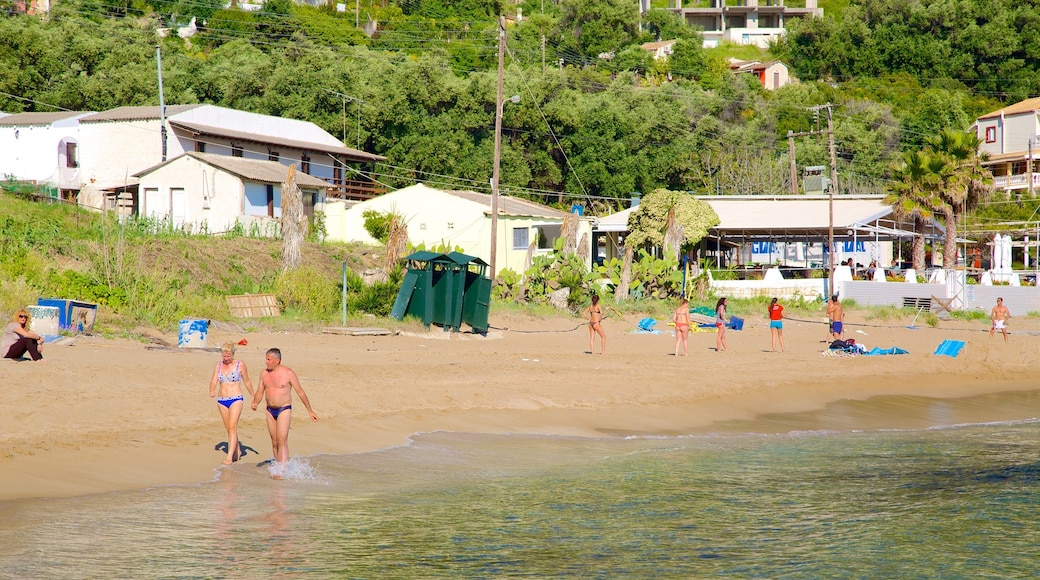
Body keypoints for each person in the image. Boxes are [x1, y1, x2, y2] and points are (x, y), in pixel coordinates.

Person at [251, 348, 319, 477]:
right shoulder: (264, 374)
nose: (266, 362)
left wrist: (310, 411)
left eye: (269, 359)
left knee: (282, 439)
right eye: (266, 359)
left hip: (284, 409)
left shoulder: (288, 373)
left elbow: (300, 392)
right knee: (274, 441)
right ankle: (278, 465)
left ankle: (282, 470)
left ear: (278, 360)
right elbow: (260, 391)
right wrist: (256, 402)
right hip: (270, 410)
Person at [209, 342, 255, 464]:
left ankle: (229, 457)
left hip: (236, 398)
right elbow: (213, 381)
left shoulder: (240, 365)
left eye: (228, 356)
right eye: (224, 356)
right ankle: (237, 451)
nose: (226, 359)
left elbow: (247, 382)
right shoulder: (218, 366)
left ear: (233, 354)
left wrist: (253, 395)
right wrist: (212, 390)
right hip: (222, 400)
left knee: (232, 427)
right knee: (229, 429)